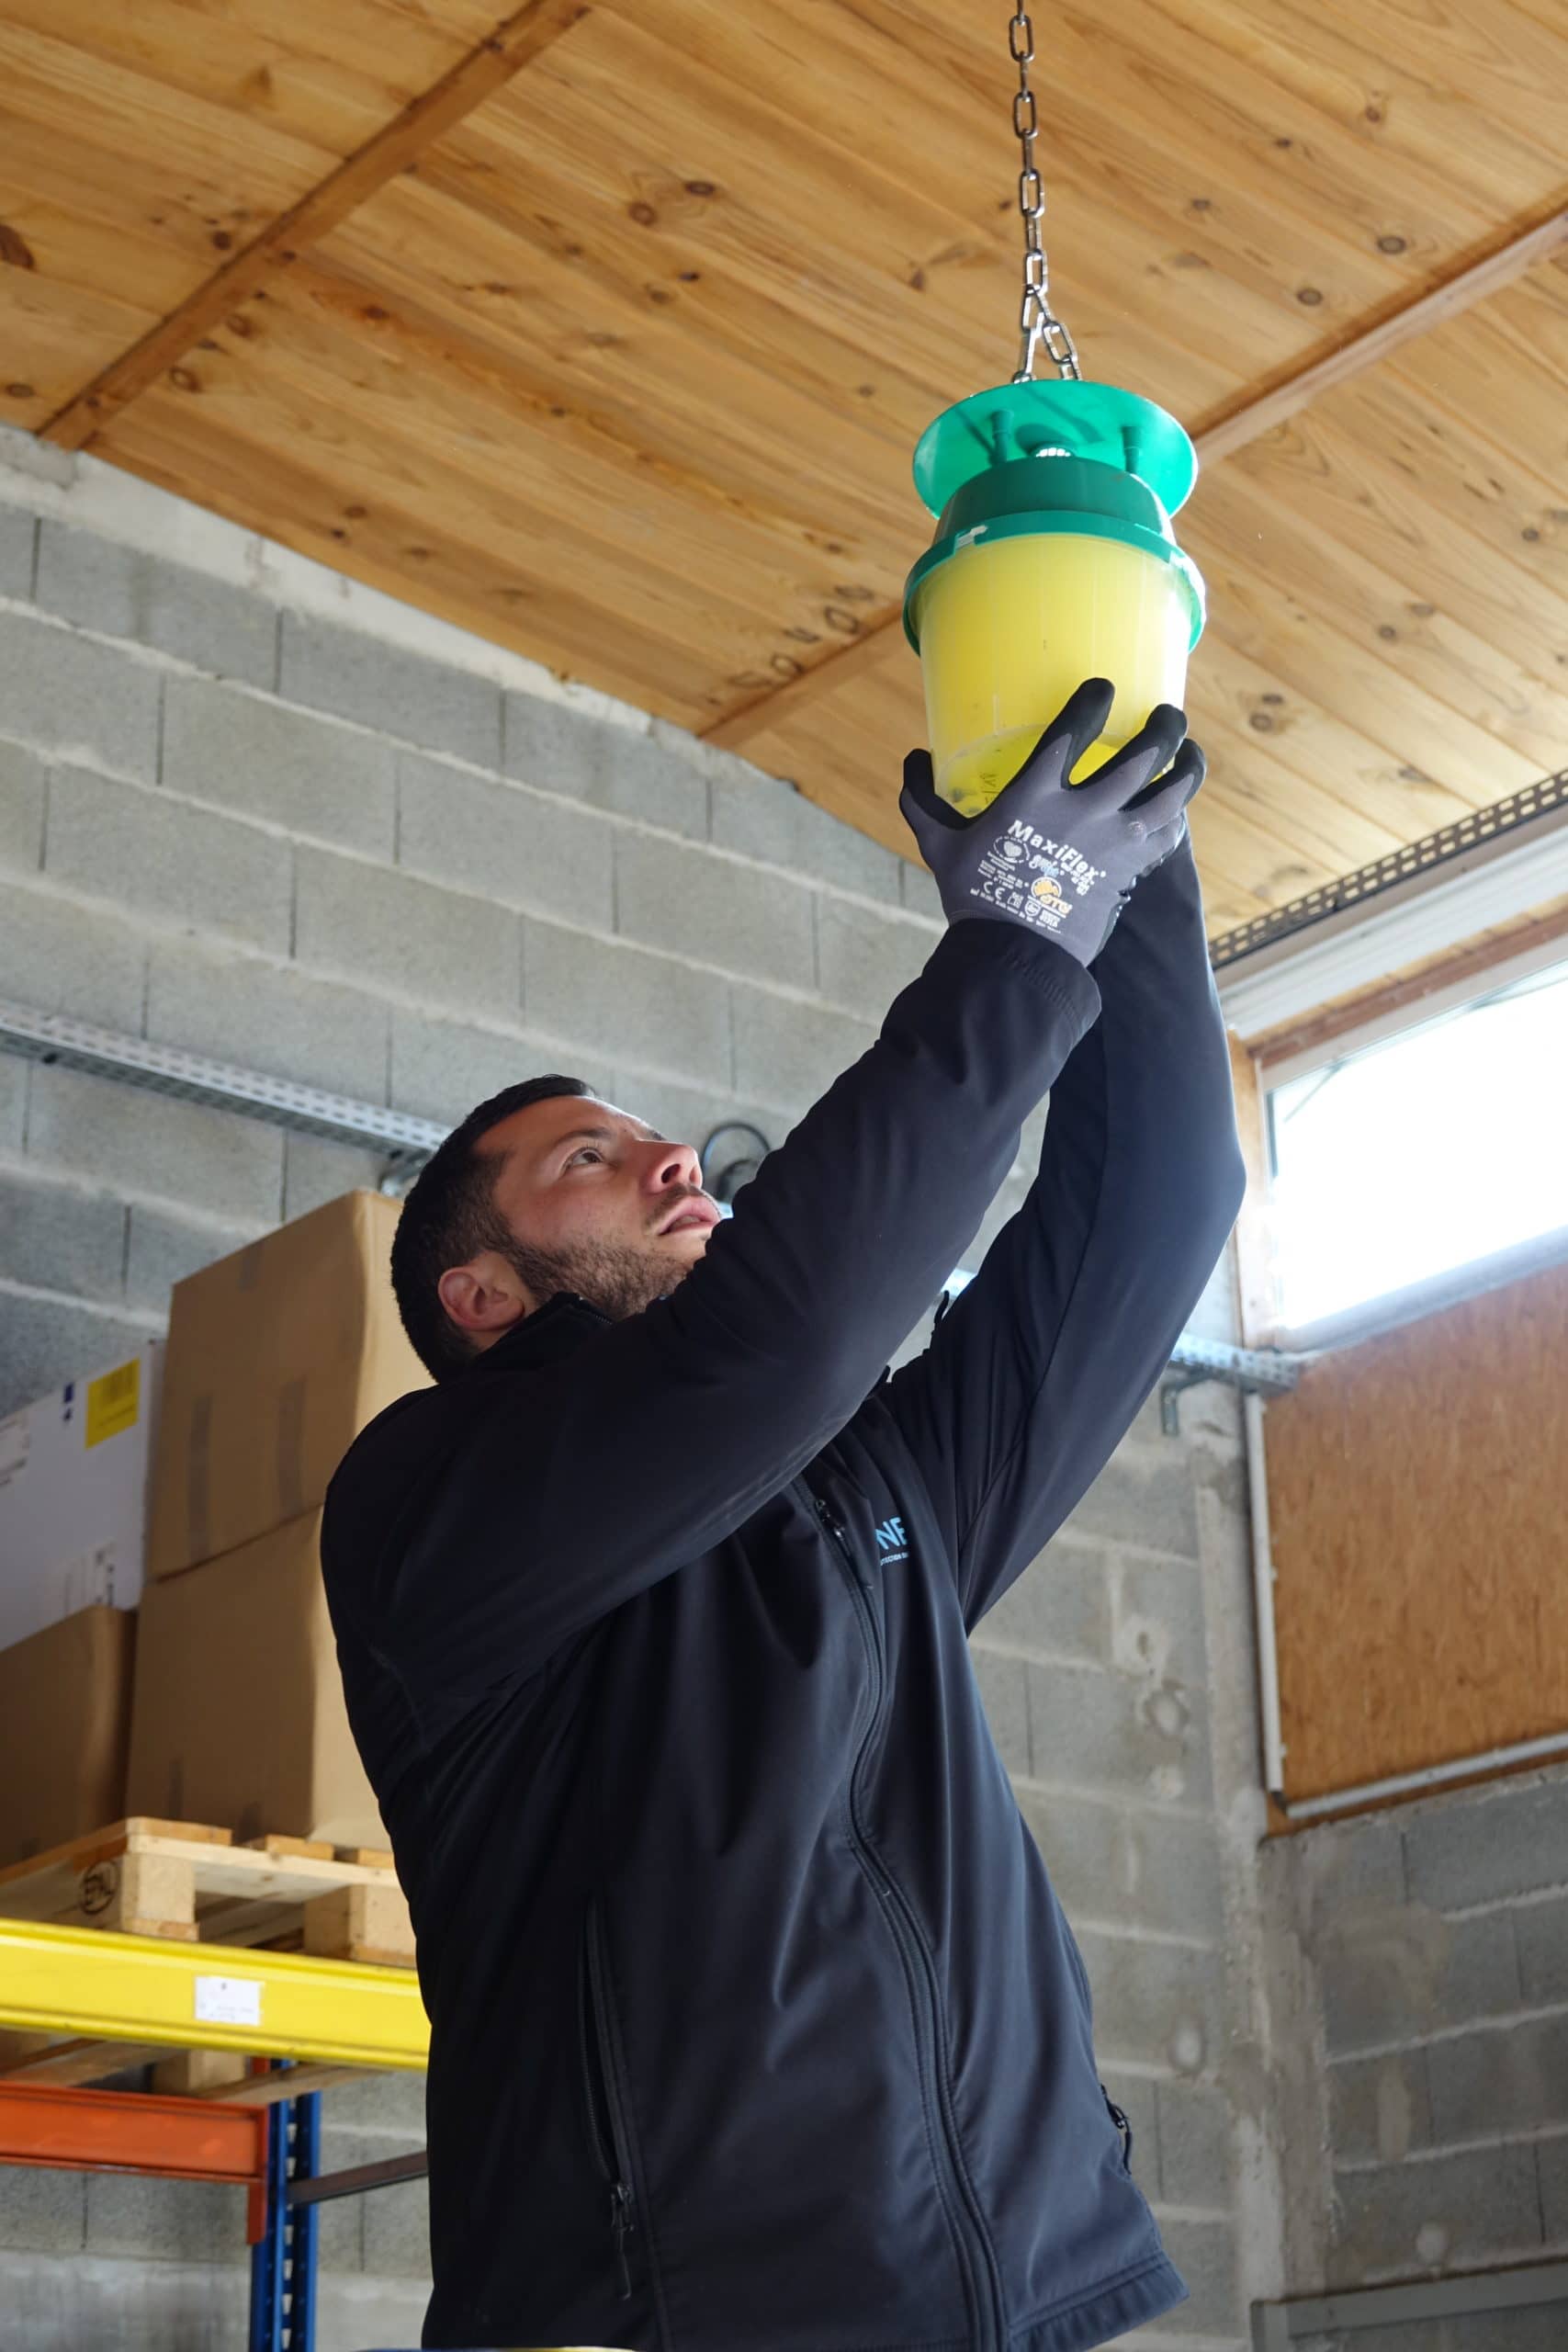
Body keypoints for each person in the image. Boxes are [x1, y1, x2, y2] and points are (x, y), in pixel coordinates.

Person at [321, 680, 1247, 2352]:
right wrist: (1020, 933)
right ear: (479, 1292)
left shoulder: (865, 1486)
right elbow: (777, 1346)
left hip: (1011, 2293)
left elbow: (1154, 1210)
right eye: (588, 1157)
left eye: (648, 1131)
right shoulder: (425, 1504)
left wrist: (1131, 874)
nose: (672, 1154)